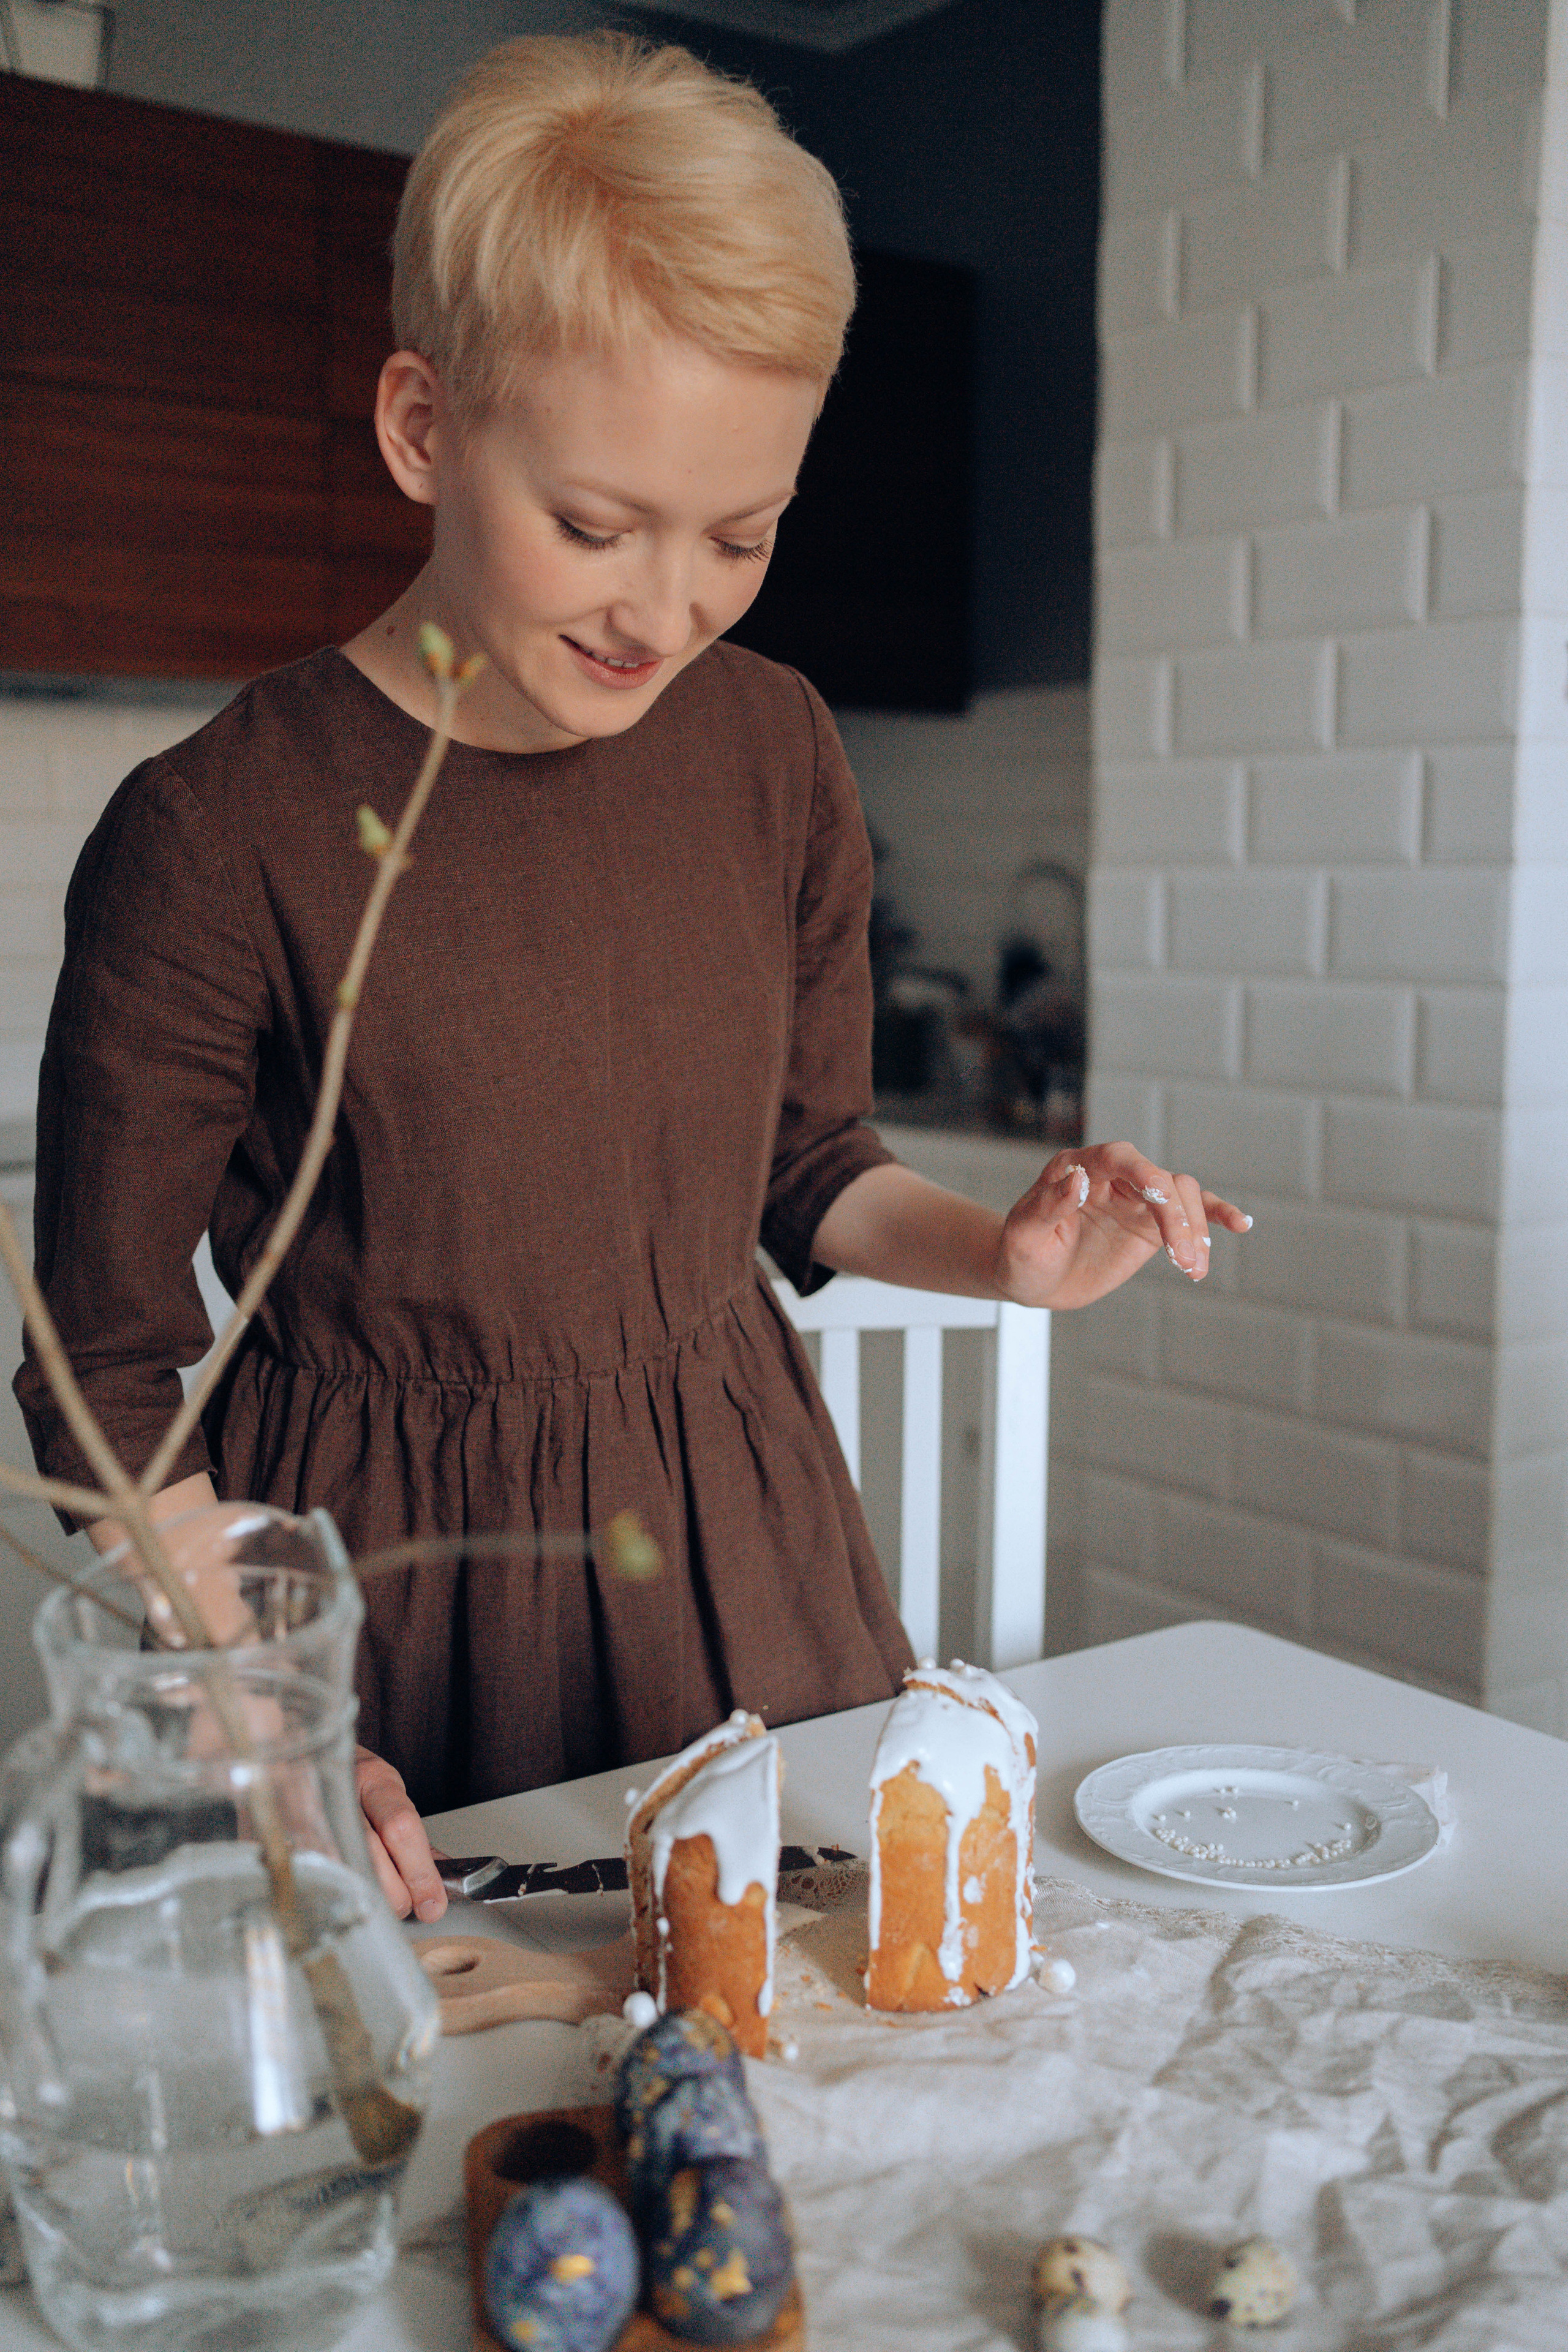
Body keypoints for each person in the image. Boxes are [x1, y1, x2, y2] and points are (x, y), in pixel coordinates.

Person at [17, 32, 1247, 1927]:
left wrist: (1000, 1257)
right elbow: (101, 1371)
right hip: (404, 1614)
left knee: (806, 2031)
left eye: (741, 535)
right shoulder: (217, 829)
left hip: (749, 1555)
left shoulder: (775, 751)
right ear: (423, 428)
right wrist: (265, 1715)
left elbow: (806, 1162)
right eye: (594, 527)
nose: (666, 608)